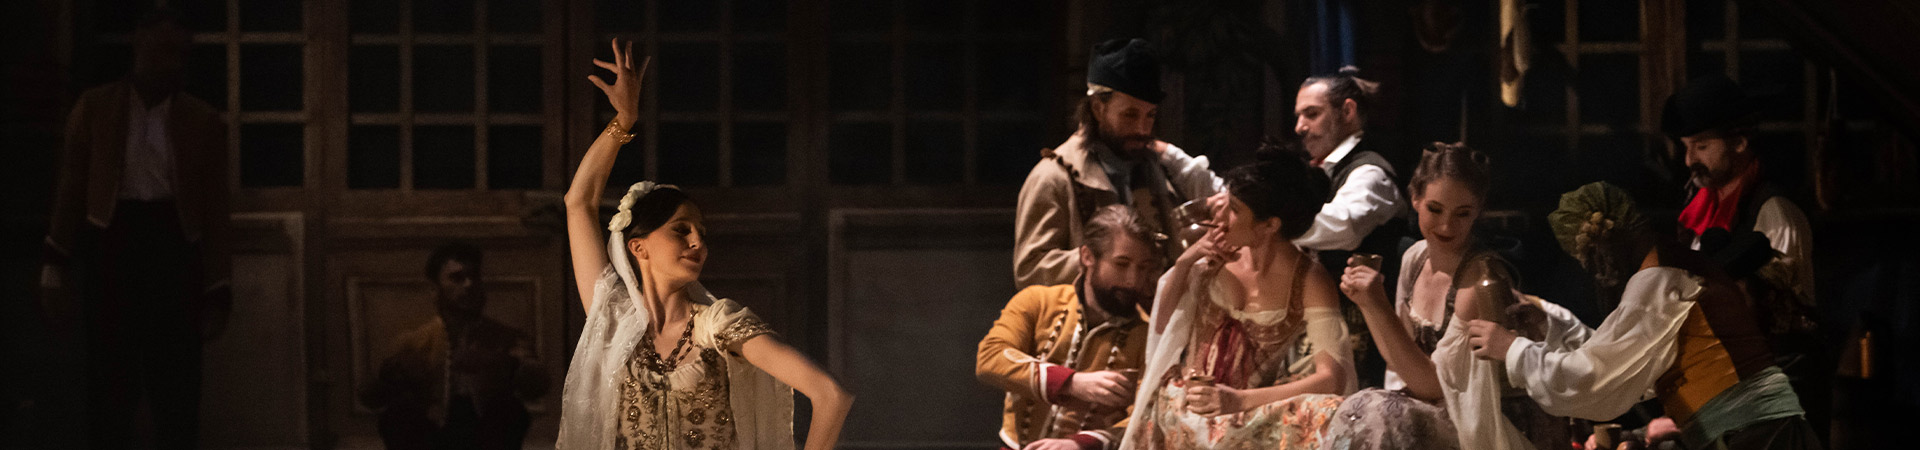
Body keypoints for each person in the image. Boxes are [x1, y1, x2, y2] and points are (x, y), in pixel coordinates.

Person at [555, 39, 851, 449]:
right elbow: (579, 202)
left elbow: (831, 395)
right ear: (638, 247)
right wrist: (624, 120)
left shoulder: (717, 325)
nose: (697, 242)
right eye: (681, 230)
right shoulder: (613, 318)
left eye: (701, 233)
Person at [1468, 182, 1820, 450]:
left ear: (1607, 239)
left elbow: (1594, 374)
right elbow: (1622, 357)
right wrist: (1547, 325)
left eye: (1593, 256)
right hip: (1753, 431)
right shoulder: (1669, 266)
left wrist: (1511, 349)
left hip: (1757, 434)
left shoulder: (1660, 277)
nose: (1598, 271)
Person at [40, 9, 231, 448]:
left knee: (177, 379)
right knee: (110, 375)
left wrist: (218, 287)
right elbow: (71, 188)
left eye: (178, 52)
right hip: (113, 243)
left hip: (173, 247)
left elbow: (215, 209)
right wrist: (55, 259)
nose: (169, 60)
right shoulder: (96, 108)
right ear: (137, 42)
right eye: (161, 48)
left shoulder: (200, 119)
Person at [1339, 143, 1579, 450]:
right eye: (1435, 209)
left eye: (1462, 214)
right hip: (1437, 406)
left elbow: (1433, 383)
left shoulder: (1479, 280)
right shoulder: (1415, 258)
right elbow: (1402, 360)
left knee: (1378, 412)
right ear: (1415, 199)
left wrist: (1378, 304)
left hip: (1487, 417)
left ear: (1477, 210)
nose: (1446, 225)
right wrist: (1367, 304)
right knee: (1355, 408)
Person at [1120, 142, 1351, 449]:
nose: (1221, 217)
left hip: (1244, 419)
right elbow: (1162, 329)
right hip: (1181, 404)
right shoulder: (1215, 254)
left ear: (1269, 225)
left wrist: (1240, 400)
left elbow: (1331, 379)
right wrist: (1186, 263)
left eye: (1234, 210)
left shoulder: (1309, 279)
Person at [1014, 38, 1224, 289]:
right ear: (1098, 109)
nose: (1142, 129)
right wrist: (1107, 260)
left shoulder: (1159, 169)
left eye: (1150, 115)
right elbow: (1031, 269)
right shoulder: (1054, 177)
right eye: (1130, 115)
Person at [977, 205, 1160, 450]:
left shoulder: (1147, 336)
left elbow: (1150, 415)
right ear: (1087, 257)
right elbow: (990, 358)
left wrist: (1081, 444)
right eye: (1121, 264)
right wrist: (1073, 383)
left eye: (1143, 268)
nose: (1133, 280)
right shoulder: (1038, 302)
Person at [360, 242, 549, 450]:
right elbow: (370, 397)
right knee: (399, 414)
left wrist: (504, 364)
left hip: (485, 432)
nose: (469, 284)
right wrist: (391, 374)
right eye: (457, 278)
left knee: (509, 411)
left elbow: (538, 386)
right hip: (433, 432)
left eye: (474, 276)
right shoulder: (414, 343)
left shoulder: (506, 339)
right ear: (436, 288)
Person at [1291, 67, 1408, 280]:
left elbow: (1344, 226)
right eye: (1299, 116)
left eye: (1312, 114)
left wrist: (1270, 221)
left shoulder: (1370, 172)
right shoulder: (1316, 169)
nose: (1299, 127)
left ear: (1347, 111)